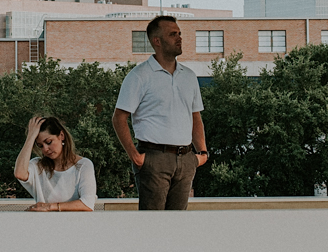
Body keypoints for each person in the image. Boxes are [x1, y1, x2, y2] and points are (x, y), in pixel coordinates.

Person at [111, 14, 209, 210]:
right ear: (157, 41)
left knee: (177, 226)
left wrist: (203, 153)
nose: (179, 38)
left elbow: (195, 116)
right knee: (152, 226)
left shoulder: (189, 77)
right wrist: (136, 157)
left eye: (179, 33)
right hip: (154, 159)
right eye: (173, 34)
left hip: (186, 158)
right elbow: (119, 118)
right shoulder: (139, 76)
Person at [14, 114, 97, 211]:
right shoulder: (38, 166)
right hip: (44, 225)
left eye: (48, 142)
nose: (45, 149)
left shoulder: (84, 165)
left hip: (75, 224)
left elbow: (87, 204)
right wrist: (30, 137)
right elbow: (19, 173)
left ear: (61, 136)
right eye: (40, 146)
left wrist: (49, 207)